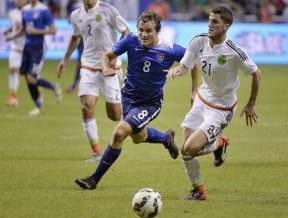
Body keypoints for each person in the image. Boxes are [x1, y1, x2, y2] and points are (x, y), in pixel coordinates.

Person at [74, 11, 199, 190]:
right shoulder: (131, 40)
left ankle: (93, 180)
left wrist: (193, 89)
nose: (144, 34)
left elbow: (193, 62)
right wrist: (105, 68)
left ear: (158, 32)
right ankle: (165, 138)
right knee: (138, 137)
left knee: (119, 133)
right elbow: (107, 56)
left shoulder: (170, 48)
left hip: (150, 103)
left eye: (148, 31)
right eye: (141, 30)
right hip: (127, 97)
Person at [166, 6, 261, 200]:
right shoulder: (198, 40)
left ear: (226, 26)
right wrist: (178, 70)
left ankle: (218, 143)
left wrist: (251, 103)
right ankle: (198, 190)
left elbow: (256, 73)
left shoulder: (235, 51)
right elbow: (186, 66)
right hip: (202, 99)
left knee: (189, 148)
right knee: (186, 148)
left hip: (221, 109)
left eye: (215, 22)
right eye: (209, 20)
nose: (210, 25)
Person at [56, 0, 130, 162]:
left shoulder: (108, 10)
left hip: (110, 69)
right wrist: (65, 59)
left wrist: (115, 54)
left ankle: (130, 105)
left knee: (115, 115)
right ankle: (97, 152)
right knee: (86, 107)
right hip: (88, 68)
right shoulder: (76, 15)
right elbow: (75, 38)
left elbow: (126, 31)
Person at [7, 0, 63, 116]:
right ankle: (38, 105)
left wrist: (36, 31)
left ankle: (53, 87)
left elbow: (53, 30)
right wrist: (13, 36)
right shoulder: (25, 10)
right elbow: (23, 28)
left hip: (38, 48)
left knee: (31, 78)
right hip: (27, 48)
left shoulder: (44, 10)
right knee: (27, 78)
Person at [3, 0, 26, 107]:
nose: (19, 1)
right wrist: (8, 30)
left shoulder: (28, 12)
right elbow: (14, 27)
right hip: (15, 47)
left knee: (31, 76)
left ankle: (39, 94)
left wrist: (12, 36)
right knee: (13, 70)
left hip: (26, 48)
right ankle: (13, 97)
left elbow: (24, 29)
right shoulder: (12, 13)